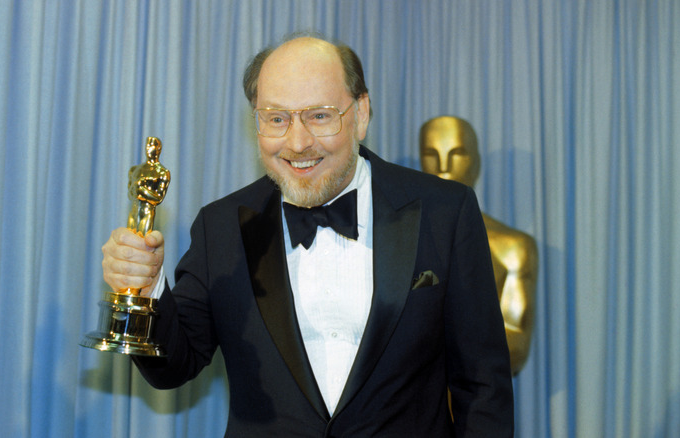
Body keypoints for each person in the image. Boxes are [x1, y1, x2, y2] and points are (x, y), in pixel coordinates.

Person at [101, 36, 513, 436]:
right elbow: (172, 368)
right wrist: (147, 290)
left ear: (361, 114)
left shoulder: (445, 211)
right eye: (277, 118)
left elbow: (483, 385)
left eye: (319, 116)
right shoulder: (221, 226)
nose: (298, 143)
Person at [419, 116, 538, 376]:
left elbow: (515, 347)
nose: (443, 167)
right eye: (431, 154)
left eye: (457, 154)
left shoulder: (513, 249)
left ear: (476, 162)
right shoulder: (396, 240)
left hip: (474, 396)